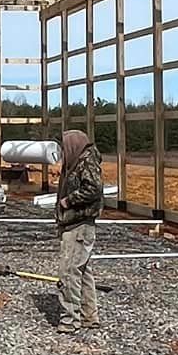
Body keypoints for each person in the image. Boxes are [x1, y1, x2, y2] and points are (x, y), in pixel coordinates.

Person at [55, 127, 103, 333]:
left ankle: (70, 320)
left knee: (68, 272)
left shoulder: (86, 162)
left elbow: (94, 188)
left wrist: (68, 200)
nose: (63, 153)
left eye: (64, 148)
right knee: (82, 271)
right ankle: (88, 316)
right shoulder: (79, 161)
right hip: (76, 223)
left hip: (79, 224)